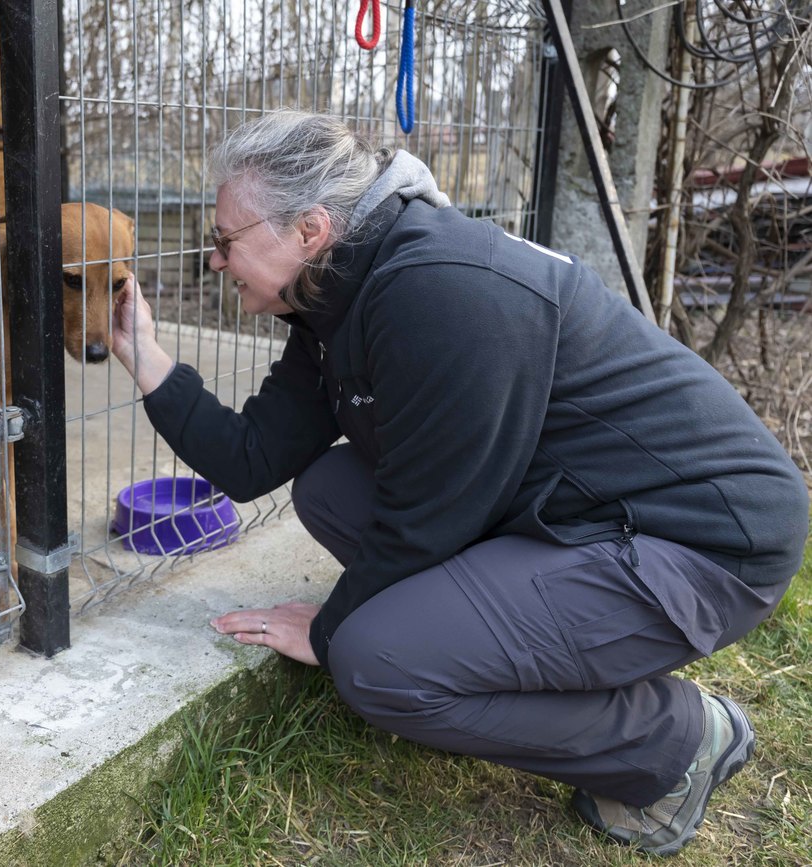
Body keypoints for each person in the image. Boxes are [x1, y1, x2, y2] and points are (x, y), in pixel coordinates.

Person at [109, 110, 808, 856]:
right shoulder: (333, 299)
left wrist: (333, 625)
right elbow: (254, 458)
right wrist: (145, 356)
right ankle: (490, 640)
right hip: (572, 513)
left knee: (377, 661)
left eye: (225, 242)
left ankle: (675, 742)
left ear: (309, 229)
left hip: (700, 541)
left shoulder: (436, 289)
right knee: (328, 486)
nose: (216, 262)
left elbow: (427, 516)